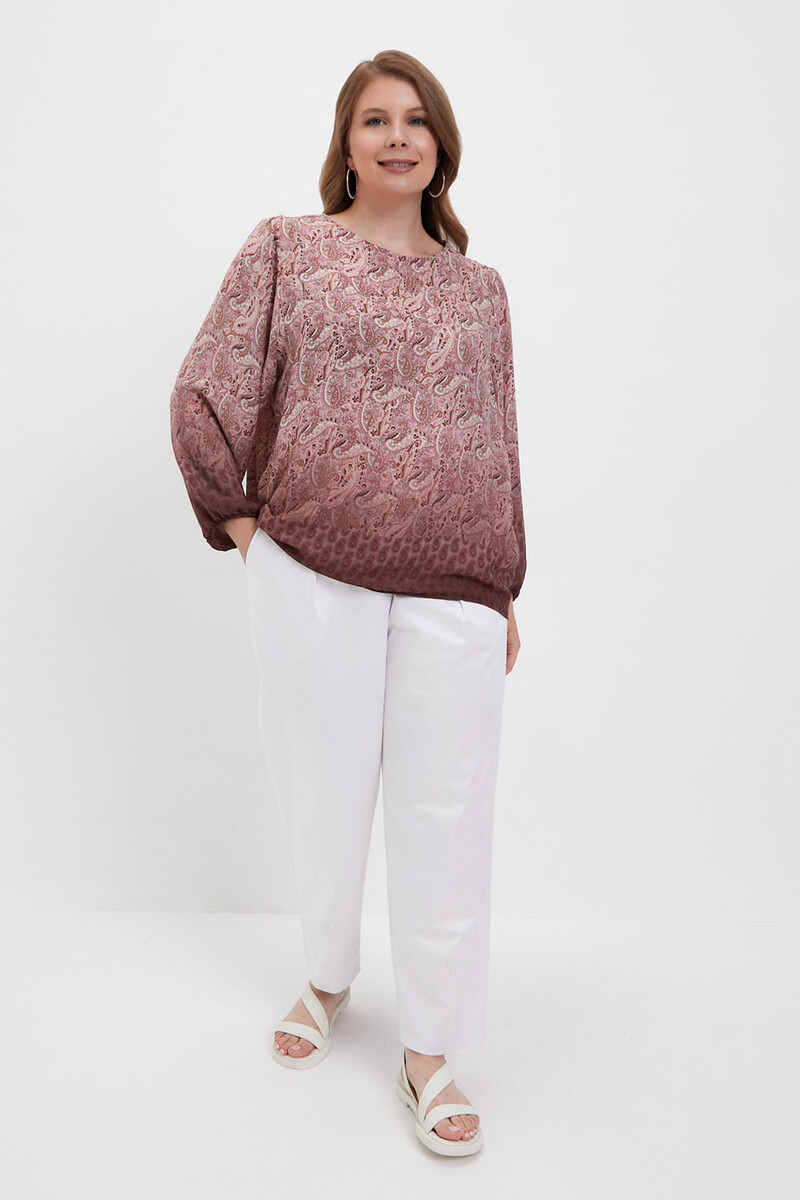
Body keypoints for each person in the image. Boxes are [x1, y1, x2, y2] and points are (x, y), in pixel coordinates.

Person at [169, 50, 527, 1158]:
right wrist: (247, 538)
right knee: (321, 792)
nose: (396, 136)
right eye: (374, 119)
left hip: (454, 591)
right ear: (347, 143)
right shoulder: (289, 248)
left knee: (447, 813)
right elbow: (205, 387)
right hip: (312, 570)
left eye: (416, 120)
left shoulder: (479, 289)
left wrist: (503, 586)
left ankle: (430, 1050)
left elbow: (494, 444)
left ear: (441, 146)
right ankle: (327, 976)